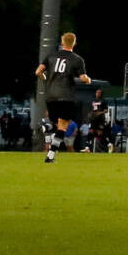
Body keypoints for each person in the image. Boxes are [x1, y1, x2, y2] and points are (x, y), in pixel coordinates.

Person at [35, 31, 91, 164]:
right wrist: (88, 80)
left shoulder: (51, 55)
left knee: (57, 125)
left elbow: (38, 72)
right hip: (65, 96)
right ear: (74, 43)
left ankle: (50, 153)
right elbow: (83, 78)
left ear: (62, 42)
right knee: (62, 127)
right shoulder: (77, 59)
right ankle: (50, 152)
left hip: (50, 95)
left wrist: (46, 80)